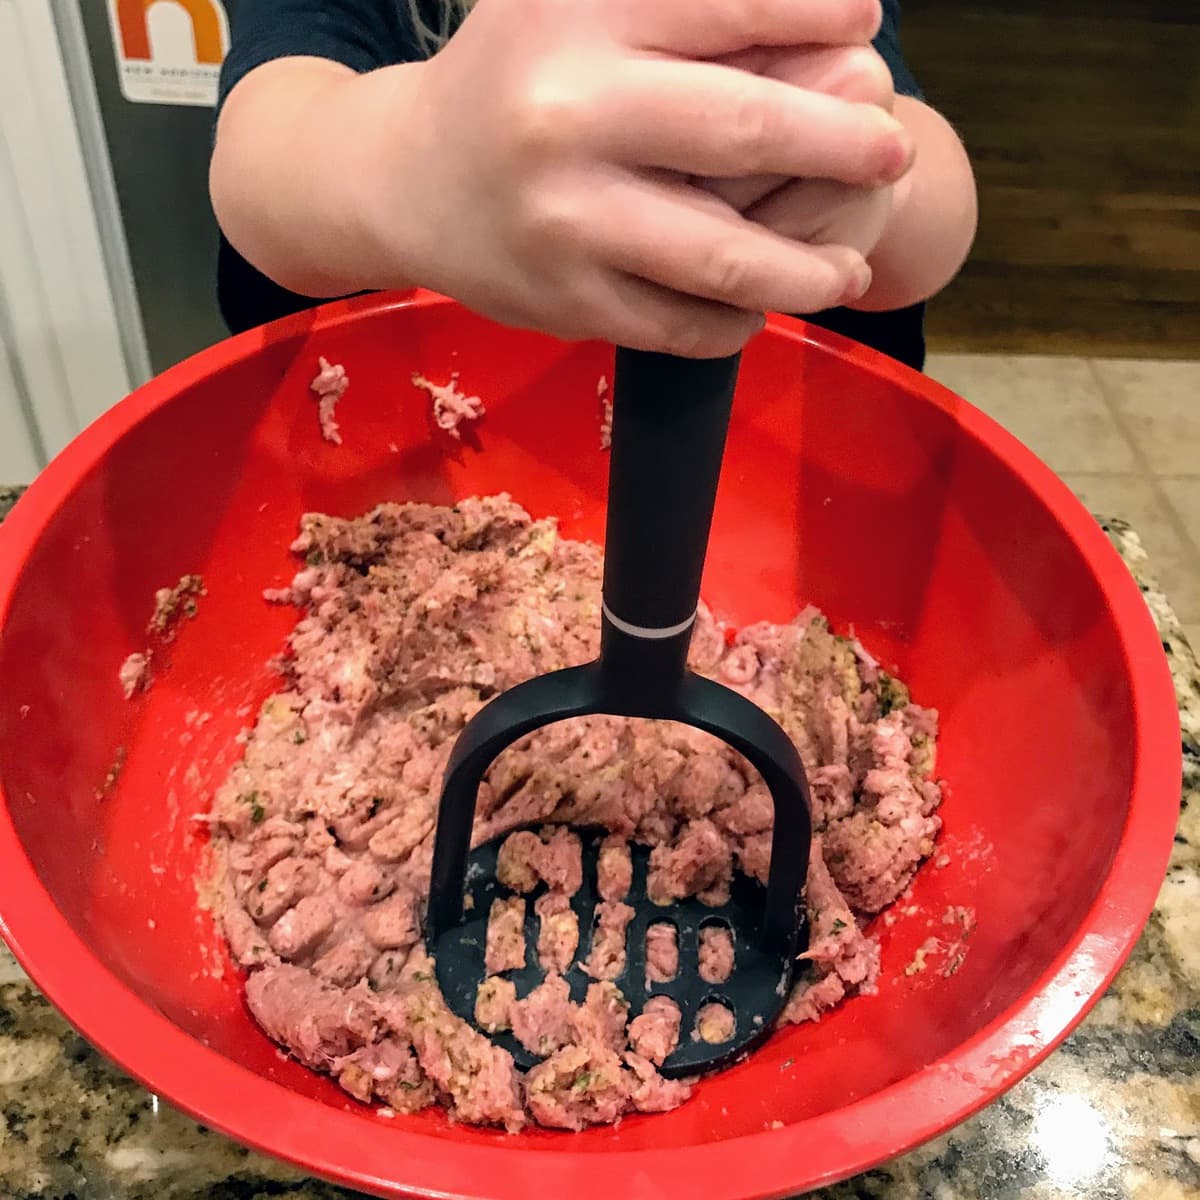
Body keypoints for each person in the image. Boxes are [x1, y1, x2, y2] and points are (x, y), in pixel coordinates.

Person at [210, 0, 976, 371]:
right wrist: (418, 151)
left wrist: (875, 176)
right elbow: (264, 155)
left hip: (775, 442)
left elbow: (935, 209)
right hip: (385, 432)